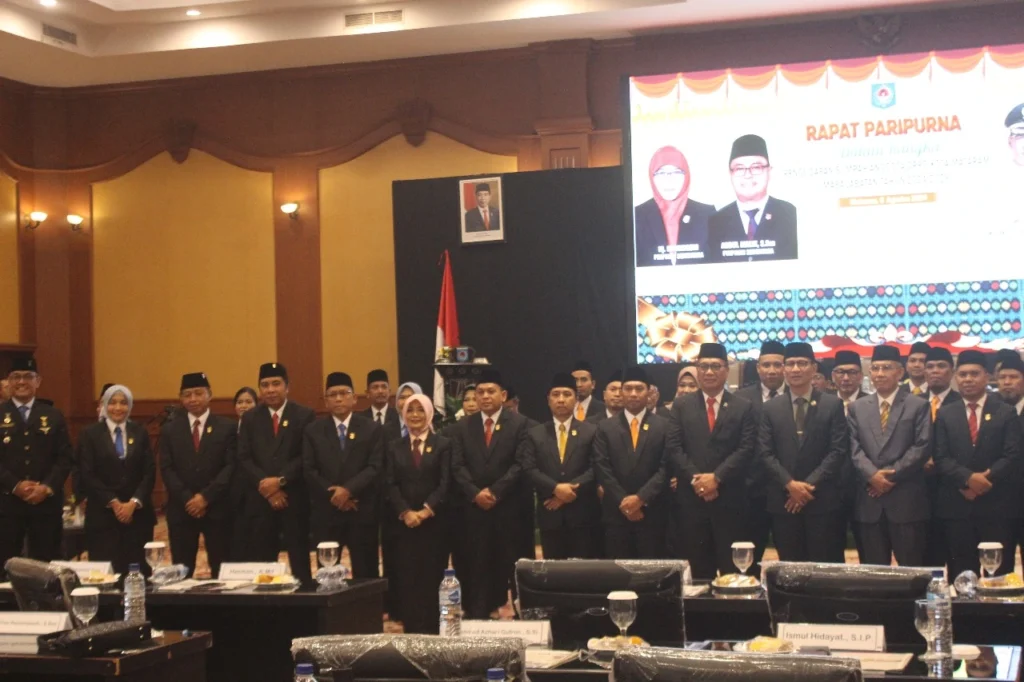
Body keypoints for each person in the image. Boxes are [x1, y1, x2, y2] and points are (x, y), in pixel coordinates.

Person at [668, 343, 755, 578]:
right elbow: (674, 447)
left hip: (729, 500)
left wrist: (716, 478)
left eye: (715, 366)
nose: (709, 372)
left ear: (726, 370)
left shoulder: (743, 407)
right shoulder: (681, 405)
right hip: (692, 500)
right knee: (698, 572)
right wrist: (698, 481)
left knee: (732, 572)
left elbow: (746, 448)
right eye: (703, 366)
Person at [934, 350, 1022, 577]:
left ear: (987, 376)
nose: (968, 379)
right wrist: (967, 479)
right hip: (958, 505)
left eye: (974, 374)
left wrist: (984, 479)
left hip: (997, 505)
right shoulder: (945, 413)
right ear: (956, 377)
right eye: (963, 374)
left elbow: (1012, 455)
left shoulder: (1005, 411)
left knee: (999, 575)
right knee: (962, 575)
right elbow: (941, 457)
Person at [449, 367, 528, 618]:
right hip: (474, 510)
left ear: (502, 395)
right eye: (480, 392)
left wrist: (495, 492)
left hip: (507, 508)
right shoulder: (462, 427)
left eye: (490, 391)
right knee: (477, 563)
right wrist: (475, 493)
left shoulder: (520, 425)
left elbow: (520, 464)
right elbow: (457, 465)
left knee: (511, 564)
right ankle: (479, 613)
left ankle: (520, 614)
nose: (484, 396)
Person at [758, 343, 848, 562]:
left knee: (823, 567)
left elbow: (837, 451)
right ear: (784, 369)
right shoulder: (771, 408)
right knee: (789, 568)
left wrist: (806, 487)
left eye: (802, 363)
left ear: (813, 368)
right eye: (790, 364)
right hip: (784, 502)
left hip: (821, 500)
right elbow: (765, 453)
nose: (796, 369)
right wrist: (790, 485)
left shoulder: (832, 404)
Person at [848, 345, 931, 567]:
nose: (880, 373)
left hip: (905, 500)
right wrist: (872, 475)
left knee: (912, 570)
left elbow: (922, 446)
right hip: (870, 501)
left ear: (900, 372)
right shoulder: (857, 407)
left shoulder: (918, 405)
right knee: (874, 572)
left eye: (886, 368)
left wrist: (888, 477)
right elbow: (853, 447)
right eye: (875, 368)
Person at [237, 362, 316, 583]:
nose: (270, 390)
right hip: (261, 498)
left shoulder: (304, 415)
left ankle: (304, 596)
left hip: (294, 497)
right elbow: (243, 457)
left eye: (276, 384)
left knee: (299, 558)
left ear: (287, 387)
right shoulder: (250, 418)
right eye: (265, 385)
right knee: (263, 560)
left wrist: (280, 481)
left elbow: (306, 456)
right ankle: (267, 602)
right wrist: (268, 487)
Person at [303, 372, 384, 579]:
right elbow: (309, 469)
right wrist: (335, 495)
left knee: (366, 571)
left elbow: (375, 467)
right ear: (326, 401)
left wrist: (348, 490)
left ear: (354, 398)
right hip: (327, 512)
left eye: (343, 393)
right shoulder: (313, 430)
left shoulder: (371, 428)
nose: (338, 399)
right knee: (328, 573)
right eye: (332, 395)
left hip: (361, 509)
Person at [159, 372, 236, 578]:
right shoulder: (170, 430)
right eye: (187, 394)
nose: (193, 399)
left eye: (198, 393)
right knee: (181, 571)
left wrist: (205, 497)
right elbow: (167, 468)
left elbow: (230, 466)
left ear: (209, 395)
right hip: (182, 509)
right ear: (180, 398)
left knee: (222, 569)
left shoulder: (227, 427)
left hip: (217, 508)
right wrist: (188, 499)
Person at [0, 356, 72, 576]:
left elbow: (65, 458)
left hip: (46, 505)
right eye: (16, 377)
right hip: (7, 504)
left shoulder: (53, 415)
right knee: (5, 566)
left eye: (28, 377)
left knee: (46, 566)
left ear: (38, 381)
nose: (22, 382)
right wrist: (15, 486)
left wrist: (46, 487)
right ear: (8, 381)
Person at [385, 393, 450, 634]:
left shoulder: (443, 444)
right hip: (404, 525)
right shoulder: (394, 447)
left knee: (432, 575)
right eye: (410, 410)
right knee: (407, 576)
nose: (415, 415)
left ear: (429, 413)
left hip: (434, 524)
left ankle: (433, 628)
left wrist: (425, 511)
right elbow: (389, 483)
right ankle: (411, 629)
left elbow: (445, 482)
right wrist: (405, 512)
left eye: (420, 410)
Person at [592, 366, 671, 559]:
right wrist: (624, 501)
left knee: (651, 572)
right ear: (621, 392)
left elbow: (666, 467)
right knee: (619, 572)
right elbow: (602, 467)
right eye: (628, 389)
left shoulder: (664, 426)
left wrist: (641, 498)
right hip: (617, 514)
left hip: (652, 513)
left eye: (639, 388)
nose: (633, 394)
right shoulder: (605, 427)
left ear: (649, 392)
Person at [521, 372, 601, 560]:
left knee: (583, 571)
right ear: (548, 400)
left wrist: (568, 492)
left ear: (576, 399)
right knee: (553, 570)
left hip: (583, 514)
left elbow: (596, 467)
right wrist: (556, 489)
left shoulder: (591, 431)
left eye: (567, 394)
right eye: (556, 395)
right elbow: (529, 468)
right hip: (550, 514)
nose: (561, 399)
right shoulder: (535, 433)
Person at [78, 385, 155, 576]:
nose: (118, 408)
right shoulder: (89, 434)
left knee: (138, 573)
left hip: (137, 516)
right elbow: (87, 473)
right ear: (104, 405)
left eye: (123, 403)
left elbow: (149, 472)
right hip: (103, 516)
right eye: (112, 403)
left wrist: (133, 503)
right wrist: (114, 503)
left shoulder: (140, 432)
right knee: (106, 574)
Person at [735, 340, 786, 575]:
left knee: (791, 561)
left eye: (777, 364)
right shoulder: (741, 399)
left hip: (787, 491)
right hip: (750, 492)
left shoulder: (797, 396)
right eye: (766, 365)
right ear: (758, 368)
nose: (772, 370)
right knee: (748, 562)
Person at [708, 134, 798, 263]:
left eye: (756, 167)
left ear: (769, 171)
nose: (748, 175)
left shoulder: (790, 214)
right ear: (730, 174)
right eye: (739, 168)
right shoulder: (715, 222)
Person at [634, 146, 716, 266]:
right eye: (661, 172)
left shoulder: (708, 215)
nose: (669, 180)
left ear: (687, 175)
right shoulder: (636, 216)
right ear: (651, 176)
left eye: (677, 172)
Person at [922, 347, 960, 567]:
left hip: (953, 490)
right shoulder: (910, 402)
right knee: (927, 561)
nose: (935, 371)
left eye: (941, 366)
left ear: (952, 371)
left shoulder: (961, 402)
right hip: (920, 493)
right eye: (930, 366)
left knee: (957, 557)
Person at [228, 386, 258, 561]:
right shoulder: (227, 429)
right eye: (240, 402)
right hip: (232, 492)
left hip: (256, 490)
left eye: (248, 402)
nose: (244, 406)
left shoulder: (262, 429)